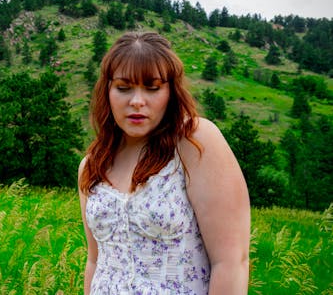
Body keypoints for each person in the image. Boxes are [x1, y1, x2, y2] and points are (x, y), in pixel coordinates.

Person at [78, 31, 250, 294]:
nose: (137, 101)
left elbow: (230, 262)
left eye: (152, 88)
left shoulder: (195, 143)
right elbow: (95, 260)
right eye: (123, 88)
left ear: (170, 92)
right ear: (108, 92)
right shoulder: (92, 165)